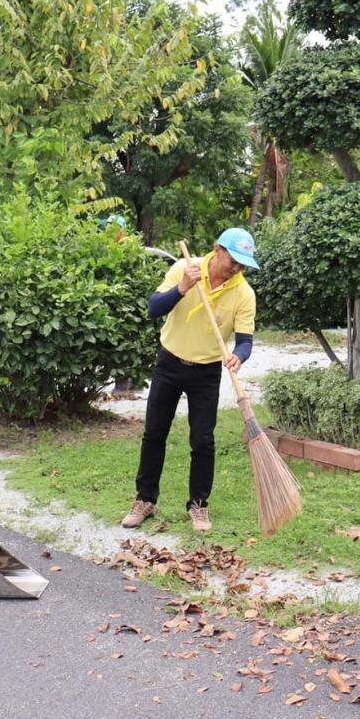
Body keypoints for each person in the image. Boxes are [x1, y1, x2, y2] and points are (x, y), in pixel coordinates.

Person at [122, 228, 258, 533]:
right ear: (217, 249)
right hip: (170, 361)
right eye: (233, 259)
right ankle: (145, 500)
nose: (236, 267)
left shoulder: (244, 293)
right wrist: (182, 288)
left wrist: (240, 355)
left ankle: (199, 504)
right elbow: (153, 309)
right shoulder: (185, 268)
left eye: (243, 263)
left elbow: (246, 341)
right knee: (154, 433)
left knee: (203, 441)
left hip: (206, 372)